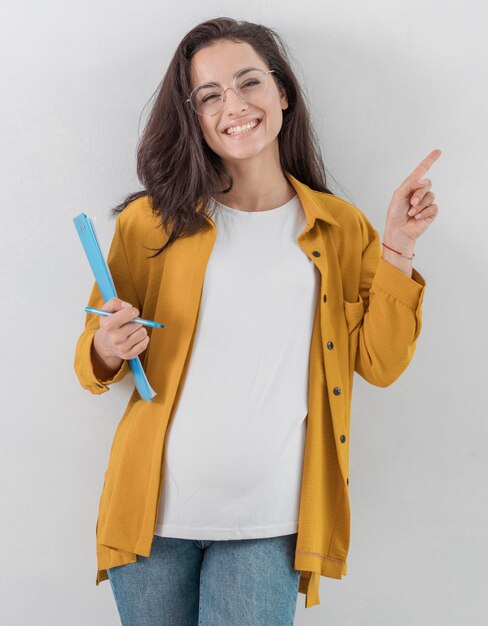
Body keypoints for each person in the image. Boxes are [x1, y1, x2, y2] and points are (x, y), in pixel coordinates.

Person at [74, 16, 441, 625]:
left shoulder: (340, 228)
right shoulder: (148, 223)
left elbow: (379, 362)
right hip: (149, 520)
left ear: (282, 94)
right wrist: (109, 346)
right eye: (210, 95)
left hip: (270, 522)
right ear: (192, 115)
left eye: (249, 84)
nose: (234, 106)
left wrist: (398, 245)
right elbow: (93, 357)